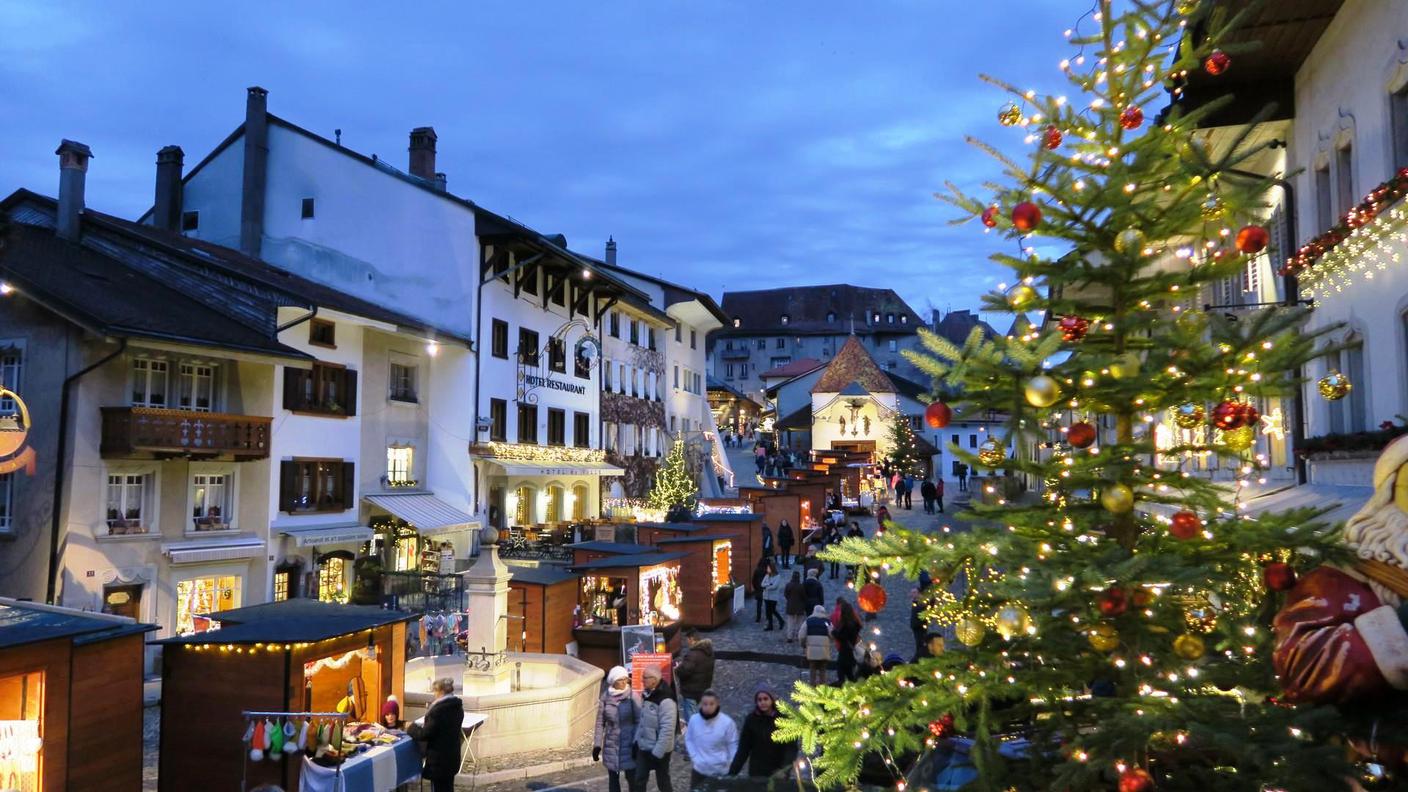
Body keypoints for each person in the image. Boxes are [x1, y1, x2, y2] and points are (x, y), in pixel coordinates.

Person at [407, 677, 464, 792]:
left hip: (439, 760)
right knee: (448, 787)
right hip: (451, 757)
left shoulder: (438, 711)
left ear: (441, 692)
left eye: (435, 691)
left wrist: (411, 727)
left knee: (439, 788)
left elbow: (424, 734)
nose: (434, 694)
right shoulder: (457, 707)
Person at [729, 683, 796, 779]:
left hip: (778, 771)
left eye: (765, 699)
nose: (762, 702)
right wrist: (732, 773)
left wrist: (784, 770)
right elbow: (743, 749)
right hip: (757, 771)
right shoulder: (751, 720)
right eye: (759, 700)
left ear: (772, 700)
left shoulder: (783, 720)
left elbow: (791, 748)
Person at [593, 666, 640, 792]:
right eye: (621, 680)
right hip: (611, 744)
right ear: (613, 681)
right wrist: (597, 745)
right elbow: (600, 723)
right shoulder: (605, 697)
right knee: (613, 780)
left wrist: (636, 742)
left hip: (629, 744)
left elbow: (639, 721)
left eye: (626, 679)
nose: (624, 682)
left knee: (632, 779)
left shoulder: (632, 696)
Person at [634, 664, 677, 792]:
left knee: (663, 782)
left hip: (660, 750)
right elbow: (642, 722)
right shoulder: (647, 694)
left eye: (645, 678)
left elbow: (667, 729)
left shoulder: (666, 699)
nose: (642, 680)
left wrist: (658, 752)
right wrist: (636, 741)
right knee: (639, 779)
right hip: (644, 746)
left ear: (654, 680)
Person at [684, 690, 738, 790]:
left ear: (717, 704)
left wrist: (731, 763)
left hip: (720, 771)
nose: (708, 707)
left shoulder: (727, 723)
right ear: (701, 704)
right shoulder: (694, 720)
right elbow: (689, 739)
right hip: (700, 770)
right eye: (705, 704)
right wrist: (695, 756)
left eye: (711, 704)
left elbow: (732, 744)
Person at [674, 628, 715, 731]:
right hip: (703, 689)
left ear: (691, 639)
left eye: (687, 640)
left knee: (692, 721)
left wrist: (677, 669)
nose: (687, 642)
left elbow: (684, 671)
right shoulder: (708, 651)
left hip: (691, 691)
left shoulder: (692, 654)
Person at [831, 598, 863, 683]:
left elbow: (841, 637)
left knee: (842, 674)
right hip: (851, 650)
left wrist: (833, 631)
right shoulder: (855, 624)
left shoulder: (846, 625)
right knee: (850, 675)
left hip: (845, 651)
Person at [799, 604, 832, 686]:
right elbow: (832, 634)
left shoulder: (808, 621)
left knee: (812, 668)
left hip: (811, 651)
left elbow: (801, 635)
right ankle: (823, 687)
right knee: (823, 669)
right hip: (824, 650)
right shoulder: (827, 622)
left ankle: (812, 686)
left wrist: (803, 644)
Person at [783, 571, 806, 642]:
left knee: (790, 623)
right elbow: (804, 597)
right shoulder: (801, 586)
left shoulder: (788, 585)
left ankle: (789, 637)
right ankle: (798, 636)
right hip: (800, 607)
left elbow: (785, 594)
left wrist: (789, 600)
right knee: (799, 623)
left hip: (790, 606)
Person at [909, 588, 931, 662]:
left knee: (921, 644)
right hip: (916, 626)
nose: (912, 594)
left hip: (920, 626)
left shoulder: (922, 602)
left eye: (914, 592)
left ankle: (918, 659)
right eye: (912, 592)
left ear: (919, 593)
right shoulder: (915, 602)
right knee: (919, 643)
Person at [761, 562, 784, 631]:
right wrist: (769, 584)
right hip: (766, 596)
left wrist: (766, 587)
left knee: (773, 610)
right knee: (768, 612)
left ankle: (781, 621)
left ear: (772, 568)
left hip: (773, 597)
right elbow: (762, 584)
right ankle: (770, 626)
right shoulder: (767, 575)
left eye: (768, 568)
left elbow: (774, 586)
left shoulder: (778, 576)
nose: (767, 569)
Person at [751, 557, 770, 624]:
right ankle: (768, 617)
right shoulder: (767, 571)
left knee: (759, 604)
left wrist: (755, 588)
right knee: (767, 604)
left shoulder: (757, 570)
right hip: (766, 589)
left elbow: (753, 580)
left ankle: (758, 618)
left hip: (759, 589)